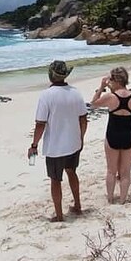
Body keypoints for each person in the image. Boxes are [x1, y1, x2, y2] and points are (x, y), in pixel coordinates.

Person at [31, 60, 88, 222]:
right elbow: (84, 120)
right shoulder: (75, 92)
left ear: (50, 75)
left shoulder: (46, 95)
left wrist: (34, 145)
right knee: (72, 172)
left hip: (55, 147)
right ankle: (77, 205)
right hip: (73, 143)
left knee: (55, 180)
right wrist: (81, 138)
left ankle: (59, 215)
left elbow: (40, 124)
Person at [90, 67, 131, 204]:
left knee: (111, 170)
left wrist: (101, 87)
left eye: (110, 80)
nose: (109, 83)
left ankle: (110, 199)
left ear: (116, 80)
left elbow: (93, 104)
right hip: (129, 135)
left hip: (113, 135)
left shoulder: (110, 97)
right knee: (125, 172)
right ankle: (122, 200)